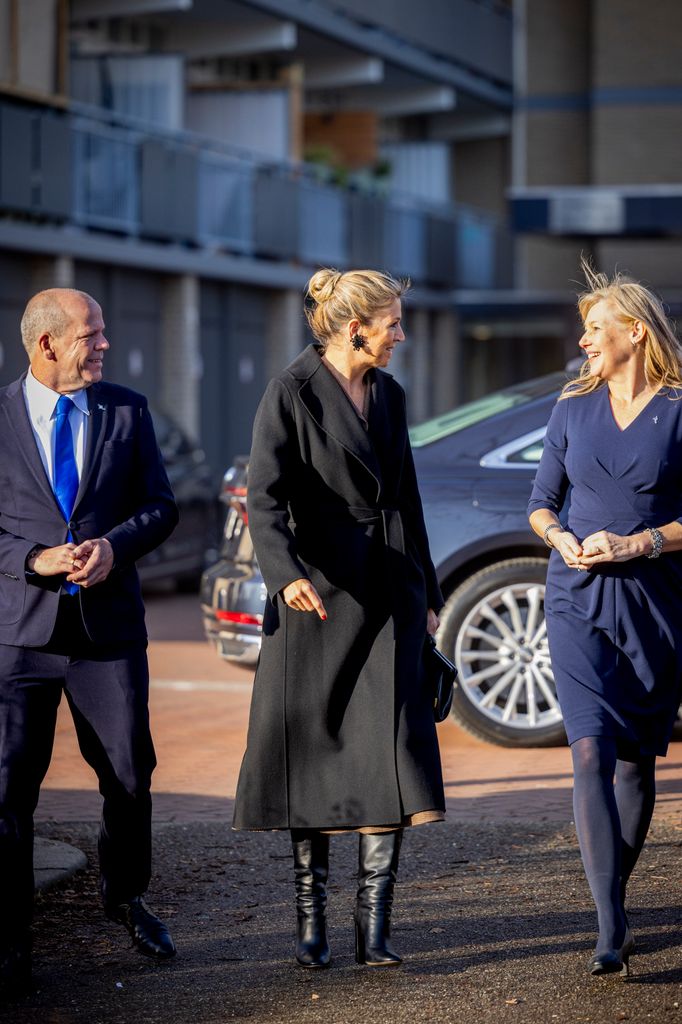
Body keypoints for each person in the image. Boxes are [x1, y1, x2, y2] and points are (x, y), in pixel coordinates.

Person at [233, 268, 445, 969]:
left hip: (389, 591)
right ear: (356, 328)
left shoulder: (390, 394)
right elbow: (263, 499)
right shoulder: (289, 391)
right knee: (315, 755)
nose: (401, 334)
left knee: (389, 750)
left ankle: (373, 930)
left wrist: (430, 591)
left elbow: (407, 498)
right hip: (318, 597)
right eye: (393, 323)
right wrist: (285, 576)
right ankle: (311, 927)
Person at [0, 288, 179, 998]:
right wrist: (32, 559)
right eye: (91, 334)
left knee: (130, 774)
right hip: (21, 635)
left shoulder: (126, 410)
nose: (104, 344)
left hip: (108, 634)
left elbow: (161, 507)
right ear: (46, 343)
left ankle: (125, 895)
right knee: (9, 788)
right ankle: (11, 940)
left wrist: (115, 546)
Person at [528, 263, 682, 977]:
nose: (585, 340)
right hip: (576, 596)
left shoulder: (678, 408)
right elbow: (540, 503)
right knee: (588, 748)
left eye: (596, 328)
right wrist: (561, 539)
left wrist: (639, 543)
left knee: (635, 760)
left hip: (657, 601)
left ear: (636, 333)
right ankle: (610, 924)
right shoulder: (571, 406)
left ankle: (613, 899)